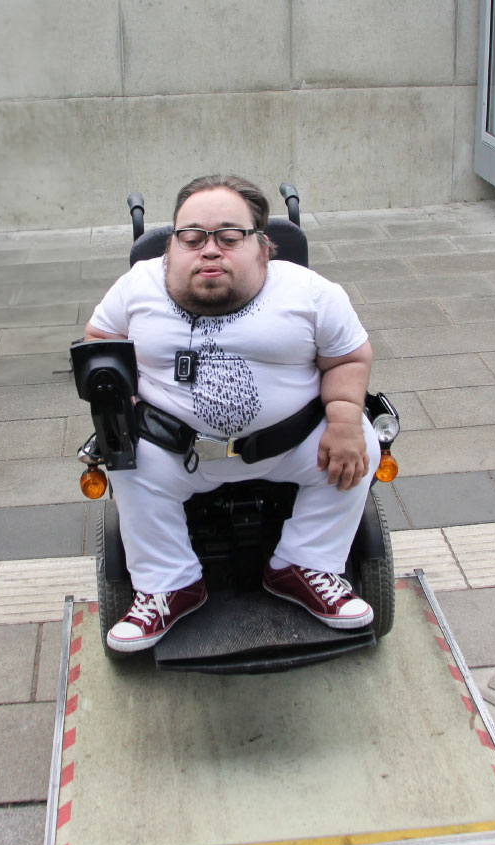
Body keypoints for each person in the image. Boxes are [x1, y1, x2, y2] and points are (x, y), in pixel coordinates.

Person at [82, 174, 380, 652]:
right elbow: (99, 341)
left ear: (263, 246)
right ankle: (168, 583)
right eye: (193, 237)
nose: (210, 249)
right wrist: (123, 397)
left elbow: (347, 358)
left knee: (361, 439)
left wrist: (344, 420)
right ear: (172, 246)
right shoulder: (136, 287)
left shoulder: (312, 293)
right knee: (124, 452)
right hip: (173, 451)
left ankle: (305, 564)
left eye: (229, 236)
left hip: (289, 444)